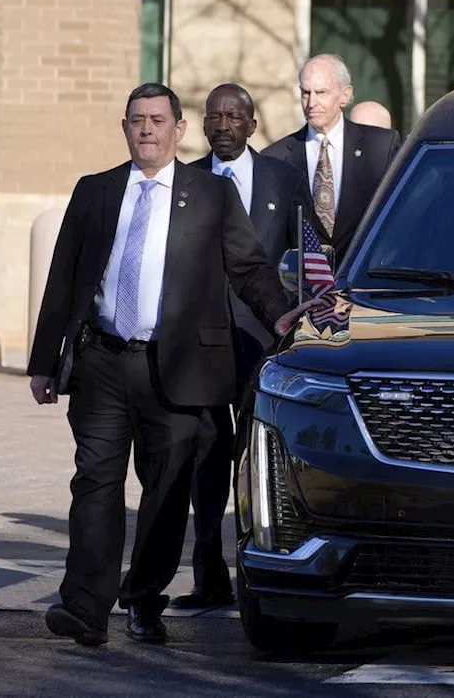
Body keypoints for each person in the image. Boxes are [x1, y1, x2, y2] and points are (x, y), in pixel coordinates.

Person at [28, 83, 322, 647]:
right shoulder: (95, 191)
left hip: (179, 369)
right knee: (95, 482)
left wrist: (282, 316)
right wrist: (45, 362)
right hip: (103, 364)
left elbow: (250, 266)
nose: (147, 130)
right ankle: (85, 608)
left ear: (178, 129)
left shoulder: (209, 194)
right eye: (137, 120)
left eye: (158, 120)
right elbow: (63, 277)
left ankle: (143, 598)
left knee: (165, 491)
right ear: (124, 126)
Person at [172, 83, 313, 610]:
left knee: (255, 462)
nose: (224, 124)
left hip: (262, 344)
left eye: (235, 116)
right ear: (203, 125)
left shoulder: (283, 179)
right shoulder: (186, 183)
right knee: (204, 462)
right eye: (215, 116)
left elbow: (311, 251)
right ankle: (208, 578)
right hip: (202, 346)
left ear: (253, 126)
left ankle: (259, 577)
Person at [263, 54, 401, 261]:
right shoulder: (276, 157)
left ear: (345, 96)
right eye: (305, 93)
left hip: (363, 283)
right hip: (302, 287)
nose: (311, 102)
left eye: (321, 92)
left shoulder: (380, 148)